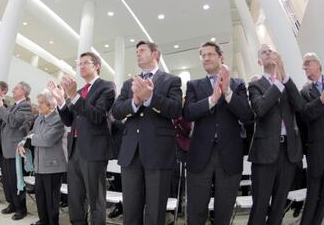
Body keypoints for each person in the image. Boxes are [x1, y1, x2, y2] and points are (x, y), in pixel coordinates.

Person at [112, 40, 182, 225]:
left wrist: (150, 97)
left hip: (158, 152)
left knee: (155, 208)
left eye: (142, 50)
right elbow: (117, 111)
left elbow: (175, 109)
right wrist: (134, 101)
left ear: (155, 54)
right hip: (131, 152)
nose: (138, 53)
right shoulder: (129, 84)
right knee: (131, 208)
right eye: (136, 51)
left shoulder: (171, 80)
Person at [183, 41, 253, 224]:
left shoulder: (238, 84)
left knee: (224, 209)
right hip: (200, 155)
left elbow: (246, 115)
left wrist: (228, 92)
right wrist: (212, 100)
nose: (206, 58)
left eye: (210, 54)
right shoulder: (193, 85)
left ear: (221, 57)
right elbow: (188, 113)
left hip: (229, 155)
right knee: (196, 210)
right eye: (203, 55)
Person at [48, 51, 116, 225]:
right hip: (75, 148)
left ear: (97, 66)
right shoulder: (78, 91)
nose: (81, 66)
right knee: (75, 196)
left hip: (94, 149)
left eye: (86, 63)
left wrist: (74, 96)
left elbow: (98, 116)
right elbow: (69, 120)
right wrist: (61, 102)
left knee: (95, 198)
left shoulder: (107, 87)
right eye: (80, 64)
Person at [247, 45, 303, 225]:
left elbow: (300, 106)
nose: (269, 53)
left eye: (271, 51)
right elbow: (260, 109)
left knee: (280, 203)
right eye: (264, 52)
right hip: (265, 153)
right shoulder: (255, 85)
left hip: (288, 151)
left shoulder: (287, 82)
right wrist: (277, 84)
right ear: (259, 61)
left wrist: (284, 75)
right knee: (260, 204)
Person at [18, 89, 66, 225]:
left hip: (53, 167)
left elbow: (47, 140)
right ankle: (43, 221)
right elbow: (31, 134)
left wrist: (31, 139)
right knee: (40, 197)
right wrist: (24, 142)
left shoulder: (58, 120)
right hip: (39, 165)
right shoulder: (39, 118)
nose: (38, 106)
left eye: (41, 104)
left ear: (50, 105)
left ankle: (52, 222)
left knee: (51, 200)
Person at [0, 81, 32, 220]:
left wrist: (1, 108)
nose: (13, 90)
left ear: (24, 92)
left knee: (16, 181)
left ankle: (21, 208)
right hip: (5, 148)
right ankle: (11, 204)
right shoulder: (10, 106)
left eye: (16, 88)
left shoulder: (26, 106)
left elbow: (14, 122)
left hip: (16, 149)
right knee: (7, 180)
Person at [299, 52, 324, 225]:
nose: (305, 67)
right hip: (316, 149)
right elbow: (306, 114)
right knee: (313, 192)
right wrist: (321, 100)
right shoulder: (304, 91)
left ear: (317, 64)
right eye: (304, 64)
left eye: (307, 63)